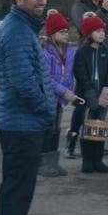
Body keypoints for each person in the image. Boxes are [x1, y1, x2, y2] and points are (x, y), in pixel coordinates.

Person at [0, 0, 57, 215]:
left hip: (23, 121)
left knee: (19, 188)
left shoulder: (24, 27)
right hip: (20, 124)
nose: (41, 1)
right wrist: (46, 111)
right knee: (17, 190)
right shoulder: (17, 31)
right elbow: (23, 84)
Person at [67, 0, 108, 155]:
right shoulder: (79, 7)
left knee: (103, 102)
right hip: (87, 58)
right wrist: (103, 10)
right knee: (83, 102)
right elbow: (85, 29)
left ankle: (94, 143)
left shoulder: (105, 6)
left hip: (107, 57)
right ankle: (71, 143)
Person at [72, 14, 108, 174]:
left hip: (103, 95)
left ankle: (98, 159)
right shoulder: (82, 52)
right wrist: (89, 93)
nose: (102, 34)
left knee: (99, 128)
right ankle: (87, 160)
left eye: (102, 31)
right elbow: (80, 73)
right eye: (97, 31)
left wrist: (106, 91)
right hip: (86, 96)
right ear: (89, 33)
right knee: (88, 128)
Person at [39, 11, 81, 178]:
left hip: (60, 99)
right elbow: (46, 79)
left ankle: (52, 163)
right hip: (48, 97)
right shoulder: (46, 52)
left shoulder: (70, 52)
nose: (65, 34)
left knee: (56, 130)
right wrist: (65, 92)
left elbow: (71, 73)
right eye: (61, 32)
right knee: (47, 130)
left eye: (66, 31)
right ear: (52, 34)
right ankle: (43, 164)